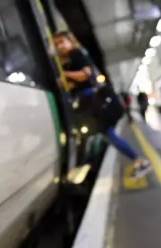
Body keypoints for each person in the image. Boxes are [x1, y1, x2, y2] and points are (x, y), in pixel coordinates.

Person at [52, 30, 152, 178]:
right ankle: (135, 160)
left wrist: (64, 75)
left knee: (107, 134)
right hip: (87, 102)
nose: (60, 46)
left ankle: (139, 160)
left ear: (70, 41)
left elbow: (85, 74)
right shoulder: (69, 61)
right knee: (103, 134)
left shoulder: (76, 54)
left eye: (62, 42)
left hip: (91, 103)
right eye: (57, 44)